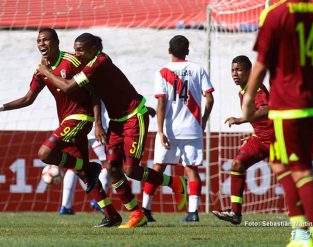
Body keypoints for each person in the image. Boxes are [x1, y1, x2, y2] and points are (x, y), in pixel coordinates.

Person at [37, 33, 187, 228]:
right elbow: (96, 93)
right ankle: (136, 214)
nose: (77, 54)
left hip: (133, 117)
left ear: (94, 49)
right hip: (116, 121)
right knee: (113, 169)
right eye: (75, 50)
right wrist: (98, 123)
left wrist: (45, 71)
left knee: (130, 170)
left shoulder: (97, 63)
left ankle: (175, 183)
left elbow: (68, 87)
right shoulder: (89, 64)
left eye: (81, 50)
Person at [242, 1, 313, 247]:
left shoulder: (276, 15)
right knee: (280, 164)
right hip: (312, 106)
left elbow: (261, 63)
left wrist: (248, 99)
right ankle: (300, 232)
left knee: (299, 169)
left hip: (286, 107)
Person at [0, 28, 122, 226]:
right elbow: (28, 99)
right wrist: (2, 107)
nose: (42, 44)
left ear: (56, 42)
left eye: (46, 40)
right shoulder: (41, 70)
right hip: (66, 121)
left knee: (45, 154)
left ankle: (89, 167)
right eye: (39, 41)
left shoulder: (71, 62)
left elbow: (94, 91)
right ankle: (112, 215)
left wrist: (98, 123)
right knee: (84, 175)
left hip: (81, 118)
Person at [141, 35, 214, 222]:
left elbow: (162, 102)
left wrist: (159, 131)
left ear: (169, 51)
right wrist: (204, 120)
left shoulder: (162, 72)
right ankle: (193, 212)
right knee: (192, 170)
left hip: (170, 128)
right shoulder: (198, 69)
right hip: (193, 128)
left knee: (158, 168)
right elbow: (210, 98)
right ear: (188, 51)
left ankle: (145, 209)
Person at [211, 55, 272, 224]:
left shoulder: (256, 88)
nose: (234, 74)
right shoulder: (244, 90)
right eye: (232, 70)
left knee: (298, 175)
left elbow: (267, 108)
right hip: (260, 138)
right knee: (237, 164)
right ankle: (235, 213)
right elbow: (260, 117)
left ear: (249, 71)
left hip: (276, 139)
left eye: (238, 70)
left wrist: (241, 119)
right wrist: (254, 133)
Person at [60, 102, 110, 215]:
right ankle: (99, 201)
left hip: (78, 126)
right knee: (108, 164)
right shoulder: (98, 84)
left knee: (75, 165)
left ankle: (65, 206)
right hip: (96, 128)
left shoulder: (73, 85)